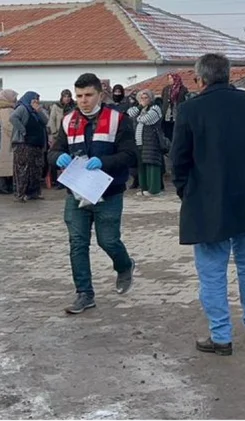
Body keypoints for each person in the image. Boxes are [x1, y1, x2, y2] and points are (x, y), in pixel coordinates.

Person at [170, 53, 245, 356]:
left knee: (212, 271)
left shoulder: (189, 110)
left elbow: (179, 160)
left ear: (200, 79)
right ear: (230, 75)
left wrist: (187, 192)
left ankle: (221, 337)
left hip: (208, 203)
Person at [48, 73, 138, 314]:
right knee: (77, 243)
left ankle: (125, 265)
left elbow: (130, 155)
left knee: (107, 240)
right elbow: (53, 151)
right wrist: (58, 157)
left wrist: (104, 161)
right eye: (79, 96)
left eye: (88, 95)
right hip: (76, 193)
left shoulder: (119, 119)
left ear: (100, 94)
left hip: (108, 193)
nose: (83, 100)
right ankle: (84, 294)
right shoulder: (69, 121)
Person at [9, 91, 48, 202]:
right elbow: (13, 118)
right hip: (23, 144)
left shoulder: (38, 110)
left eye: (37, 99)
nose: (36, 101)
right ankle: (20, 193)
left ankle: (34, 193)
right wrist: (23, 130)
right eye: (34, 99)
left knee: (36, 168)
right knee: (23, 169)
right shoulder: (22, 108)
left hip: (36, 143)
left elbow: (45, 121)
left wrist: (38, 110)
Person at [127, 89, 164, 196]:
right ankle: (144, 188)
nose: (143, 100)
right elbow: (130, 113)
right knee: (141, 164)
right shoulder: (139, 108)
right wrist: (139, 107)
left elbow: (147, 119)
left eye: (146, 97)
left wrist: (138, 117)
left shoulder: (155, 108)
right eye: (141, 98)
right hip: (139, 141)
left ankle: (154, 189)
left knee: (152, 163)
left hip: (151, 140)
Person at [46, 89, 76, 190]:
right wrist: (54, 133)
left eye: (68, 96)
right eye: (65, 96)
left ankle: (69, 179)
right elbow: (52, 120)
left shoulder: (74, 107)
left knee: (70, 158)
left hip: (71, 135)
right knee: (58, 157)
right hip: (58, 135)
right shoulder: (56, 107)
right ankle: (59, 180)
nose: (67, 98)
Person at [160, 72, 189, 140]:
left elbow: (185, 100)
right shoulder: (166, 89)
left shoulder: (183, 89)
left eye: (171, 78)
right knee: (167, 131)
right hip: (167, 114)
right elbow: (163, 99)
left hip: (177, 113)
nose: (169, 80)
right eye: (168, 78)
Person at [0, 89, 17, 194]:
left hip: (3, 143)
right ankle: (4, 187)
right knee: (5, 166)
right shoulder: (7, 111)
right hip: (5, 142)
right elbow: (9, 127)